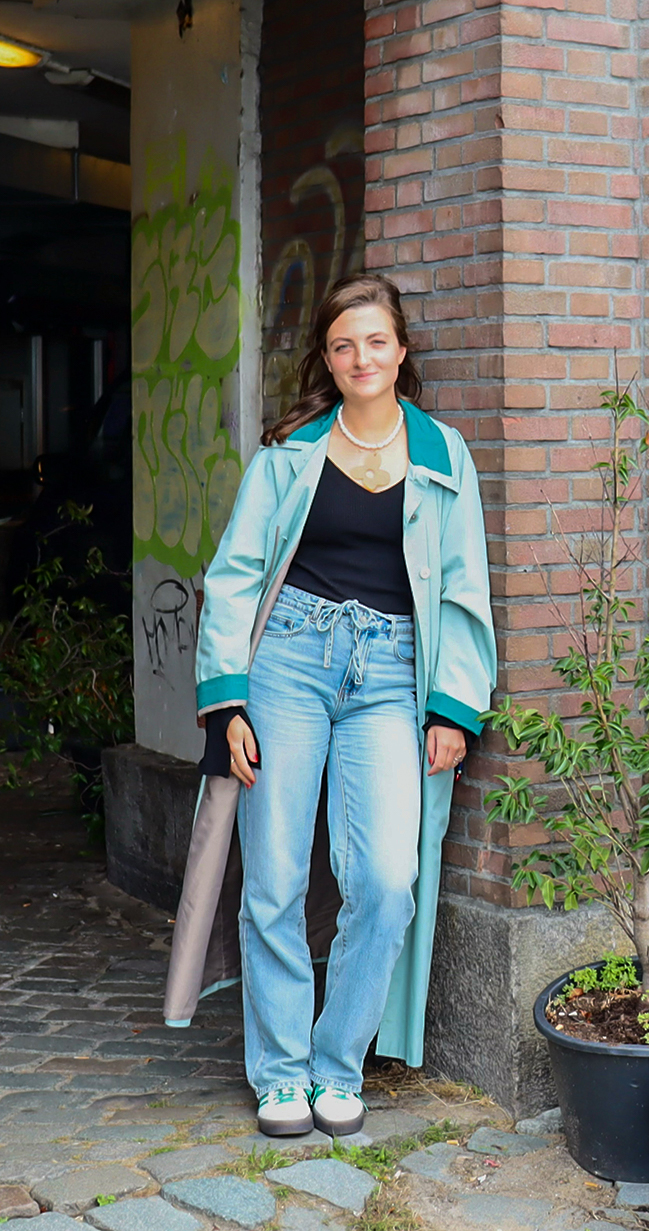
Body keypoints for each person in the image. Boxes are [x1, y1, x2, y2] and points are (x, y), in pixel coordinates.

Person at [186, 274, 496, 1137]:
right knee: (276, 875)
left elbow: (467, 585)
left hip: (394, 673)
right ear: (327, 359)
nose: (361, 358)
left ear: (401, 351)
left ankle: (337, 1061)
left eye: (375, 341)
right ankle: (281, 1072)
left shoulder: (443, 456)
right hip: (288, 659)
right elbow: (237, 576)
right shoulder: (290, 453)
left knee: (387, 880)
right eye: (342, 345)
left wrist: (452, 708)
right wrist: (228, 702)